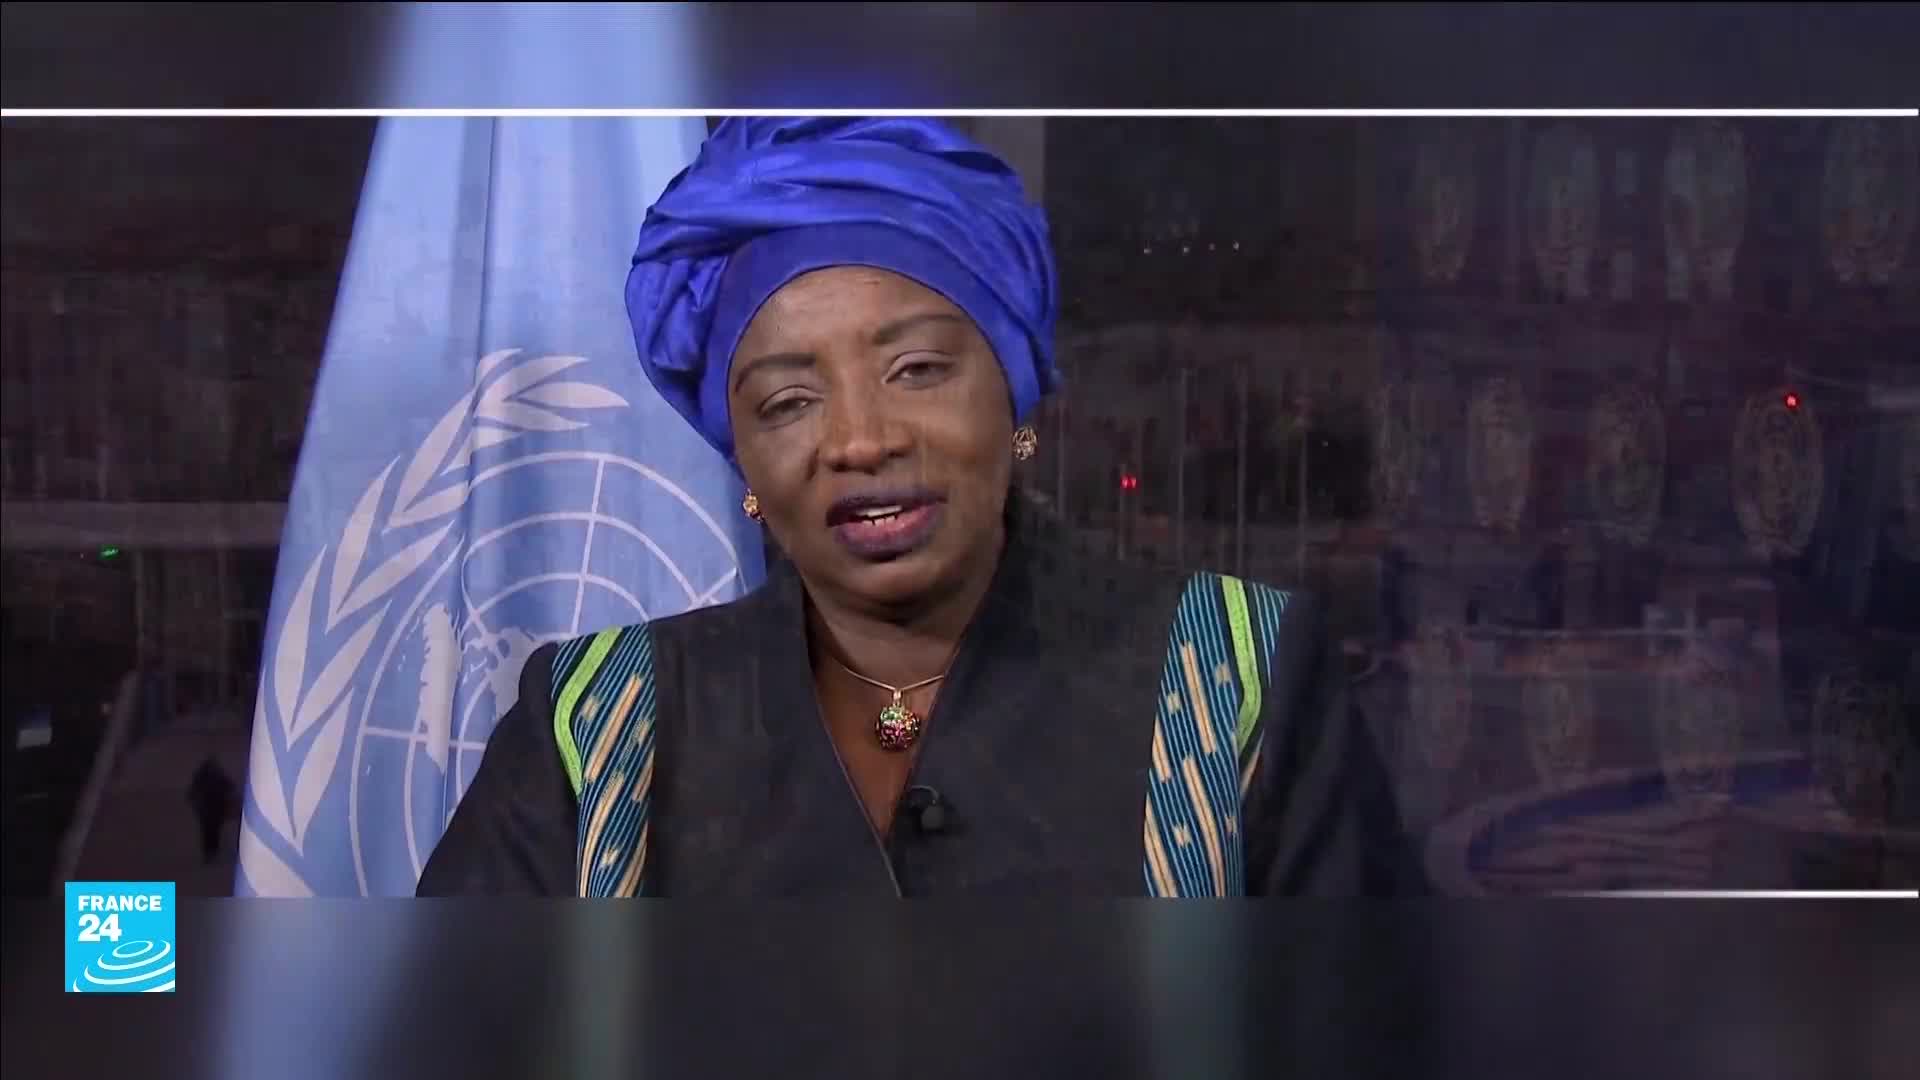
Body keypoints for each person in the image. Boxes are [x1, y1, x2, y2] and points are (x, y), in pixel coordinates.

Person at [417, 117, 1418, 898]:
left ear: (1014, 399)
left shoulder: (1234, 679)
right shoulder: (594, 726)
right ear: (746, 463)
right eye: (789, 402)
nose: (862, 438)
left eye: (917, 370)